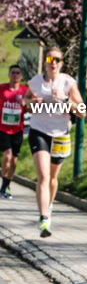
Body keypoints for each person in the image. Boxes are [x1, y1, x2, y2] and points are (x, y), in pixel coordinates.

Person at [26, 48, 85, 236]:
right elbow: (26, 101)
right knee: (43, 175)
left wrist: (65, 99)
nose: (53, 63)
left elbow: (82, 111)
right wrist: (31, 102)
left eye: (57, 60)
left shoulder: (68, 82)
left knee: (52, 178)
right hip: (38, 131)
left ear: (61, 63)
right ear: (45, 61)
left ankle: (48, 207)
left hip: (60, 134)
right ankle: (43, 219)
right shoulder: (35, 82)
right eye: (50, 59)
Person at [0, 64, 29, 199]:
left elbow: (32, 106)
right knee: (7, 156)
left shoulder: (25, 90)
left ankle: (6, 185)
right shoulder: (2, 89)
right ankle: (3, 183)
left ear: (21, 76)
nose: (15, 75)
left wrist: (25, 103)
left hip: (18, 130)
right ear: (9, 74)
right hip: (3, 128)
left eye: (18, 73)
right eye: (13, 72)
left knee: (13, 162)